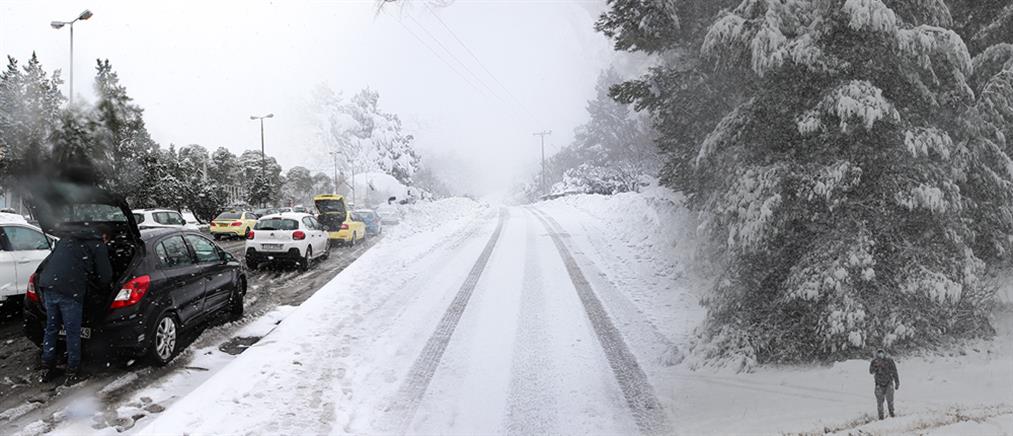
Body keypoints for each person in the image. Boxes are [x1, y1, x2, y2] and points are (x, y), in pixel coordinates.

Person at [37, 227, 113, 384]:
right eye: (107, 240)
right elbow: (105, 277)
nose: (106, 243)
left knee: (52, 328)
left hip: (48, 286)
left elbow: (51, 263)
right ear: (104, 235)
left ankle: (47, 367)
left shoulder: (67, 239)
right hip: (70, 290)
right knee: (73, 332)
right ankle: (72, 371)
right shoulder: (97, 244)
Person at [869, 348, 900, 419]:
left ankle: (892, 414)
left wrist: (897, 382)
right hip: (878, 384)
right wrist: (876, 366)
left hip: (889, 383)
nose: (880, 355)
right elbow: (871, 371)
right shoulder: (874, 362)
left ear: (884, 353)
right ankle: (881, 417)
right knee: (879, 402)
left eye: (882, 353)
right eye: (879, 353)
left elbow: (894, 371)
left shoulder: (889, 361)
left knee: (890, 400)